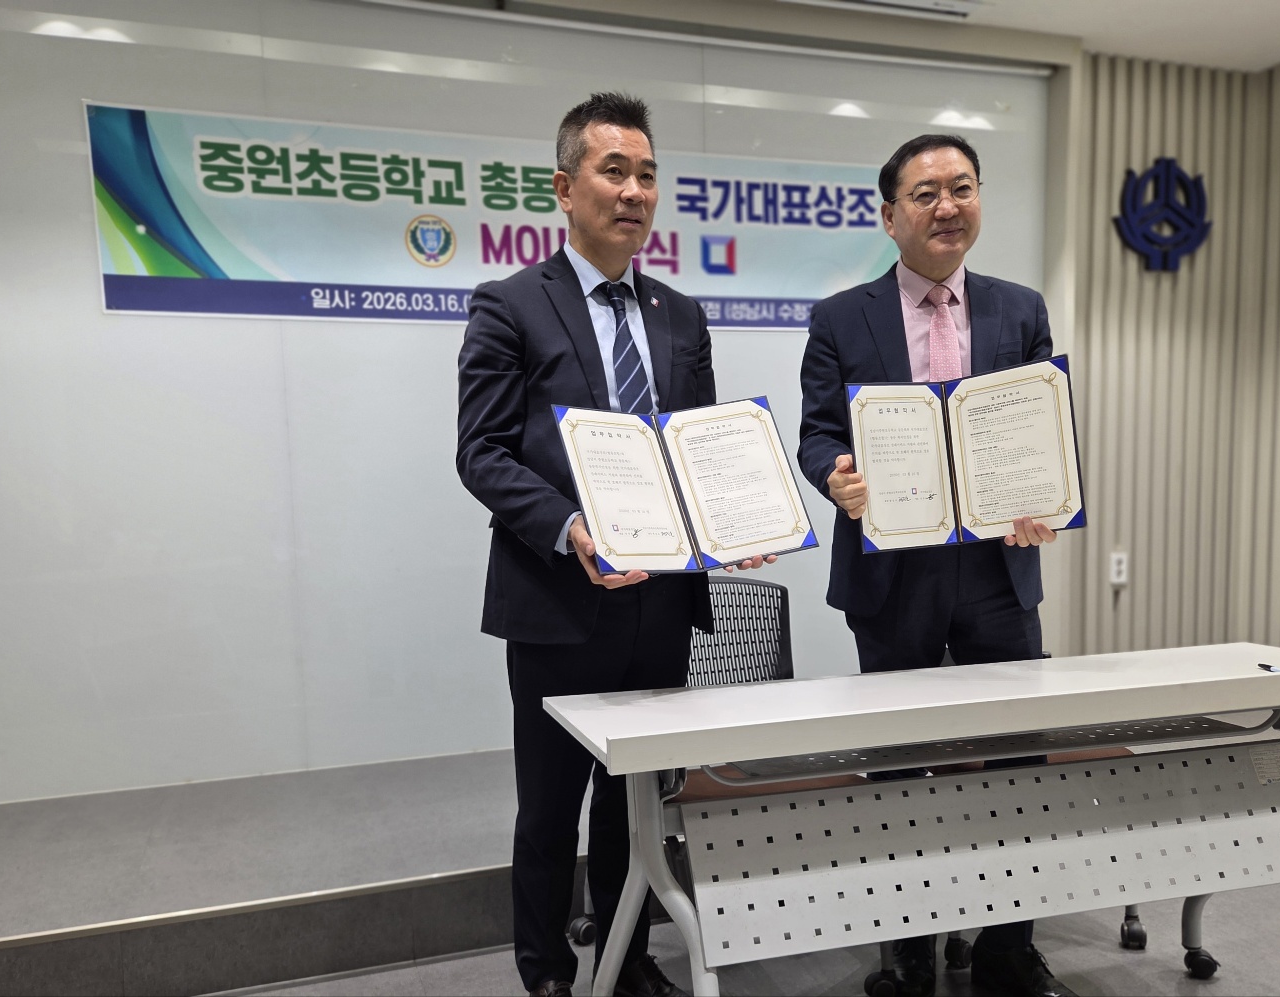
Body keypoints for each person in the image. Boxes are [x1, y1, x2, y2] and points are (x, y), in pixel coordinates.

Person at [457, 92, 770, 997]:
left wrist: (731, 521)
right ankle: (548, 974)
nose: (634, 192)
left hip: (661, 599)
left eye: (647, 175)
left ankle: (626, 962)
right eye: (613, 171)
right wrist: (569, 527)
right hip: (558, 597)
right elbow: (481, 451)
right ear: (565, 188)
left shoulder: (680, 314)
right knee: (550, 806)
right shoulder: (511, 304)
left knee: (633, 802)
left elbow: (697, 447)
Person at [797, 134, 1076, 997]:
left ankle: (1008, 945)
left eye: (962, 188)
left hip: (998, 575)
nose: (947, 206)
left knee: (1019, 760)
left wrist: (1044, 494)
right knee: (898, 765)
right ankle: (909, 945)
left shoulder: (1019, 308)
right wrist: (836, 476)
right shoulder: (840, 317)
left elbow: (1041, 426)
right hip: (893, 576)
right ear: (890, 217)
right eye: (925, 194)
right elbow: (817, 434)